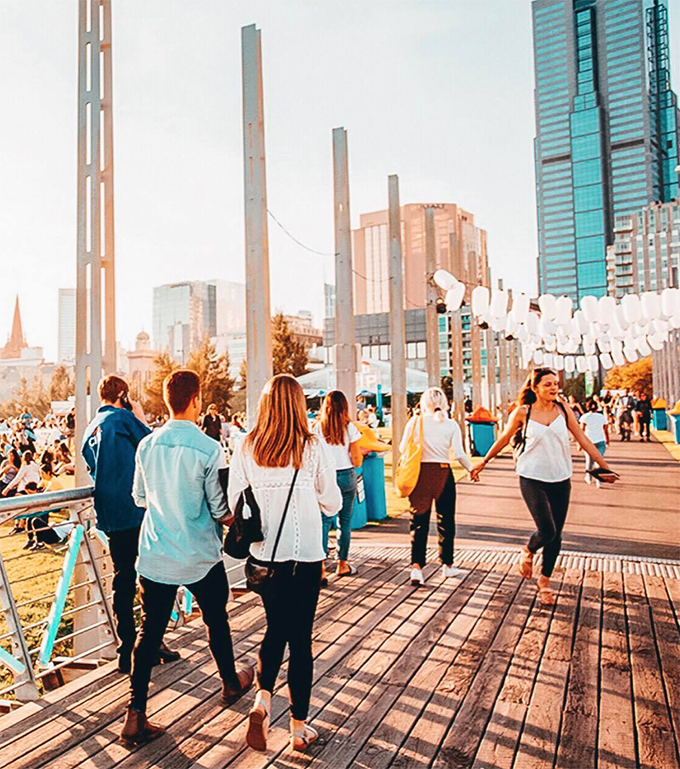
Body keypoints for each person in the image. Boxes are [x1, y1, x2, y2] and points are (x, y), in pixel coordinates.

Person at [122, 369, 254, 746]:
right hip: (199, 553)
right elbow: (218, 508)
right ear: (196, 401)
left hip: (156, 553)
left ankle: (135, 714)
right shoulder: (210, 448)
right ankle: (230, 682)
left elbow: (140, 498)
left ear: (167, 401)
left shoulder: (147, 445)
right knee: (216, 620)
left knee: (149, 634)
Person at [228, 374, 342, 753]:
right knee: (301, 640)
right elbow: (333, 503)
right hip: (306, 554)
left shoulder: (246, 446)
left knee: (275, 629)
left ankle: (262, 701)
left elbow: (234, 503)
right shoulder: (312, 446)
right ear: (297, 405)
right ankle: (298, 728)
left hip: (265, 557)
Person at [470, 368, 618, 606]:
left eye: (555, 383)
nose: (554, 388)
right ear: (535, 387)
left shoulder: (563, 409)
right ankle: (528, 551)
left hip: (560, 477)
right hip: (531, 477)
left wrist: (605, 467)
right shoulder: (523, 413)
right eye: (548, 384)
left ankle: (545, 581)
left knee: (556, 536)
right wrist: (484, 461)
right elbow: (505, 439)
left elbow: (583, 439)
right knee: (546, 530)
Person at [82, 375, 179, 676]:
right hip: (135, 507)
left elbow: (91, 465)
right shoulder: (123, 419)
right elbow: (153, 444)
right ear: (122, 394)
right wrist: (139, 416)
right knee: (156, 575)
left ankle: (126, 648)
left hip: (109, 511)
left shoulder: (90, 428)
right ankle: (151, 642)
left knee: (122, 578)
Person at [399, 387, 476, 588]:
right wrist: (471, 469)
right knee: (446, 520)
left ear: (424, 404)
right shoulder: (451, 425)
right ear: (445, 403)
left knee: (418, 522)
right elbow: (459, 453)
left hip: (420, 474)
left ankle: (416, 567)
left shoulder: (415, 422)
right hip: (443, 473)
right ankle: (447, 564)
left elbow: (401, 448)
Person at [314, 390, 363, 584]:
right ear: (345, 407)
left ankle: (321, 568)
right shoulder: (350, 428)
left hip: (325, 477)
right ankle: (342, 563)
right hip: (346, 476)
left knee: (324, 521)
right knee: (345, 521)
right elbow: (357, 459)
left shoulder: (318, 428)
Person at [579, 400, 610, 489]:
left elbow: (581, 430)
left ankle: (588, 477)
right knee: (599, 461)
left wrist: (580, 443)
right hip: (600, 440)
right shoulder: (601, 417)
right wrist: (607, 440)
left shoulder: (584, 417)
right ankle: (598, 480)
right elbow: (605, 429)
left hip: (588, 441)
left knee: (589, 460)